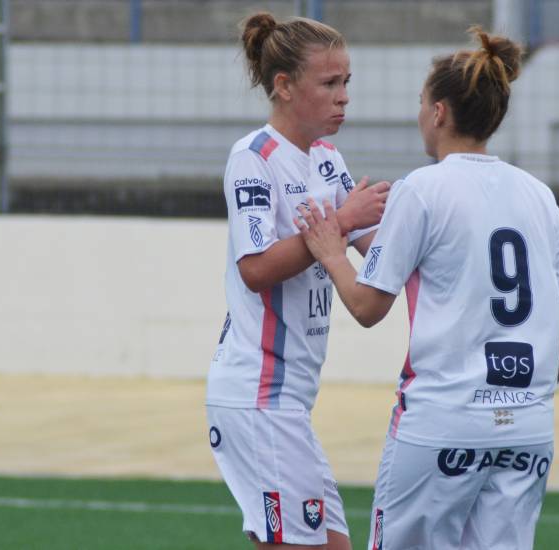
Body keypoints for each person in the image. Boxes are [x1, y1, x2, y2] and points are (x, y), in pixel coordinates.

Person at [295, 27, 559, 550]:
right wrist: (534, 394)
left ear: (439, 113)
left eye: (422, 102)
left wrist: (332, 254)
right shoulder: (539, 196)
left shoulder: (422, 189)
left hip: (442, 422)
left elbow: (366, 306)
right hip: (528, 425)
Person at [205, 12, 390, 550]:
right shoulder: (253, 159)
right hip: (258, 397)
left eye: (346, 83)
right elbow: (256, 267)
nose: (343, 97)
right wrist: (344, 220)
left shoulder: (327, 160)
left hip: (289, 404)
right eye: (329, 83)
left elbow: (375, 252)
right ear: (283, 87)